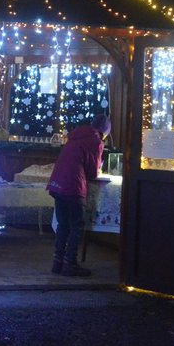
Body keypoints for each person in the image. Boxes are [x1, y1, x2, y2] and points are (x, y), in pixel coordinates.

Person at [46, 113, 111, 276]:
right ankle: (70, 264)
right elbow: (92, 172)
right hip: (73, 186)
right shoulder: (96, 141)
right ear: (105, 130)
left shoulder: (76, 135)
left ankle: (57, 262)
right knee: (76, 225)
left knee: (63, 224)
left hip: (57, 183)